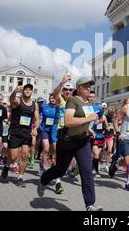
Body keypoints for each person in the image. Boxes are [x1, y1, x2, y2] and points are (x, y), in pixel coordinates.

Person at [38, 77, 103, 211]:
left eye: (90, 86)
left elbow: (83, 121)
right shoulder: (73, 100)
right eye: (85, 86)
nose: (89, 88)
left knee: (87, 172)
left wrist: (89, 129)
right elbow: (68, 121)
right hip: (67, 142)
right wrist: (89, 118)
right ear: (78, 88)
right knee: (60, 169)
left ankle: (90, 205)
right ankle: (44, 178)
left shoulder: (88, 104)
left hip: (83, 142)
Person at [2, 84, 39, 187]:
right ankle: (7, 165)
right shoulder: (18, 100)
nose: (27, 91)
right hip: (15, 131)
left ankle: (20, 177)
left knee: (25, 155)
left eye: (29, 90)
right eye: (26, 89)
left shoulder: (35, 105)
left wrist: (35, 128)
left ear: (32, 92)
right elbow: (11, 100)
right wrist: (14, 91)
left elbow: (37, 119)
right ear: (23, 91)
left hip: (26, 133)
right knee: (13, 156)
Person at [38, 93, 58, 176]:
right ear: (49, 98)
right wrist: (36, 125)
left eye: (54, 97)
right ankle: (43, 167)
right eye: (51, 97)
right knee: (46, 148)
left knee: (53, 150)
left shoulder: (59, 108)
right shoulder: (43, 106)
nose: (53, 99)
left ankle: (46, 163)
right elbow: (36, 115)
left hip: (54, 131)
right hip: (44, 130)